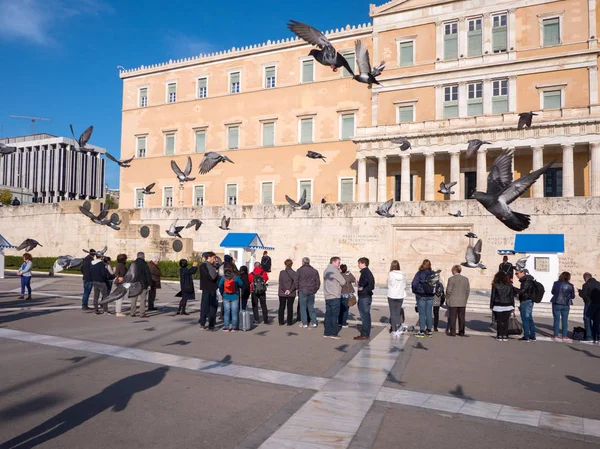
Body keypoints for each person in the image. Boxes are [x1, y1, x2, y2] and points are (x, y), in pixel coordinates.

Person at [411, 259, 436, 337]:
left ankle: (422, 330)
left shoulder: (419, 273)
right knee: (429, 313)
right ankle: (429, 330)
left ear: (423, 264)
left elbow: (414, 283)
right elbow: (437, 284)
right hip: (430, 295)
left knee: (422, 313)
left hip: (421, 295)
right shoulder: (433, 274)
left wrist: (415, 291)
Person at [323, 257, 345, 340]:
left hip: (328, 295)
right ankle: (333, 333)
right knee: (334, 315)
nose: (339, 264)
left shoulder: (326, 270)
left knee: (328, 314)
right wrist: (340, 273)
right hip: (335, 295)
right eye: (338, 262)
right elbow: (343, 282)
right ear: (333, 262)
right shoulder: (335, 271)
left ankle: (327, 332)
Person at [489, 271, 516, 341]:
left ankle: (499, 335)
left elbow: (493, 296)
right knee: (506, 321)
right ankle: (505, 335)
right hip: (508, 305)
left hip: (498, 305)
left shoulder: (495, 285)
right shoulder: (510, 286)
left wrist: (491, 305)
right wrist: (513, 306)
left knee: (499, 321)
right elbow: (511, 297)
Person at [446, 265, 470, 337]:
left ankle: (453, 332)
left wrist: (447, 298)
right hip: (462, 301)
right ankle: (461, 332)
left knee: (453, 317)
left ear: (454, 270)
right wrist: (465, 299)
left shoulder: (451, 279)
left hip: (453, 301)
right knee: (462, 317)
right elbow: (467, 291)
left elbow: (448, 290)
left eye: (452, 270)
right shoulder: (465, 279)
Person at [550, 271, 575, 341]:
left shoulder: (556, 283)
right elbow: (573, 296)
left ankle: (555, 335)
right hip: (566, 303)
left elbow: (552, 292)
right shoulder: (570, 285)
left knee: (556, 319)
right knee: (565, 320)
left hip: (556, 302)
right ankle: (564, 335)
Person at [355, 257, 375, 341]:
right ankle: (365, 333)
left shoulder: (365, 272)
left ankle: (364, 334)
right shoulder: (367, 272)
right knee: (366, 315)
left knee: (364, 315)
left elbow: (366, 281)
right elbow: (372, 285)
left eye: (359, 263)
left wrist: (360, 285)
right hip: (366, 296)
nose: (358, 265)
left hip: (364, 296)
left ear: (363, 263)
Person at [297, 257, 320, 328]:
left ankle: (304, 323)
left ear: (303, 262)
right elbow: (318, 282)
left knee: (303, 307)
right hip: (311, 291)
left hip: (303, 290)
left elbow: (296, 281)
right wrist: (315, 289)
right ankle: (314, 322)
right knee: (311, 307)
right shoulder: (314, 271)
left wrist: (298, 288)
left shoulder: (299, 270)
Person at [219, 266, 243, 331]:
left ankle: (226, 327)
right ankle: (234, 327)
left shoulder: (223, 278)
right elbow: (241, 284)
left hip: (226, 296)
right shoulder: (236, 277)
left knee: (226, 312)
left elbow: (220, 286)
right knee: (234, 312)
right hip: (235, 296)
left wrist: (222, 293)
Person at [199, 252, 219, 330]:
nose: (214, 260)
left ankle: (209, 323)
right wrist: (216, 273)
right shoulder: (206, 266)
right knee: (207, 306)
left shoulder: (210, 266)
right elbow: (212, 277)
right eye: (213, 258)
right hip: (209, 288)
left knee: (211, 306)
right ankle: (204, 323)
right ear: (209, 257)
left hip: (210, 288)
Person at [129, 252, 153, 318]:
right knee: (142, 299)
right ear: (143, 257)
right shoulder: (144, 264)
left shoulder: (132, 264)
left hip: (134, 283)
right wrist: (149, 284)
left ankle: (132, 312)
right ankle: (142, 313)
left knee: (134, 298)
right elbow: (148, 274)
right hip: (143, 284)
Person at [516, 268, 537, 342]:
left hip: (525, 301)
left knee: (525, 319)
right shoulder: (529, 280)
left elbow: (521, 291)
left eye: (517, 273)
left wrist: (513, 289)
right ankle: (532, 336)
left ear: (523, 273)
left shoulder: (525, 281)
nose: (516, 275)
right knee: (529, 319)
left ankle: (526, 336)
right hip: (529, 301)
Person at [580, 272, 600, 343]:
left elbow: (583, 294)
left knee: (587, 319)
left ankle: (589, 337)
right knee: (596, 321)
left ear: (585, 278)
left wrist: (580, 292)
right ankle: (597, 337)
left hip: (589, 304)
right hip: (598, 304)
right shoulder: (598, 283)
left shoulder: (586, 285)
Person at [387, 260, 406, 333]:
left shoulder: (390, 274)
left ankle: (393, 328)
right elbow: (404, 285)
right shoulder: (403, 274)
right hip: (400, 295)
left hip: (392, 295)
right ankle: (397, 327)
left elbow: (389, 284)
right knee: (398, 312)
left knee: (392, 312)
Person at [278, 259, 298, 326]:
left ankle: (281, 321)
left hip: (282, 292)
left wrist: (285, 290)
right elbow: (295, 283)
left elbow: (280, 283)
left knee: (281, 307)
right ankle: (289, 322)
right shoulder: (294, 273)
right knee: (290, 307)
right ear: (291, 264)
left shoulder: (282, 272)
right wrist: (290, 290)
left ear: (285, 264)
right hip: (291, 293)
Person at [339, 264, 356, 328]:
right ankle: (344, 323)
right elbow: (354, 280)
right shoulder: (348, 275)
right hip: (347, 295)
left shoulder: (339, 275)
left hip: (340, 294)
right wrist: (349, 273)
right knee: (345, 310)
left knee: (341, 309)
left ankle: (340, 322)